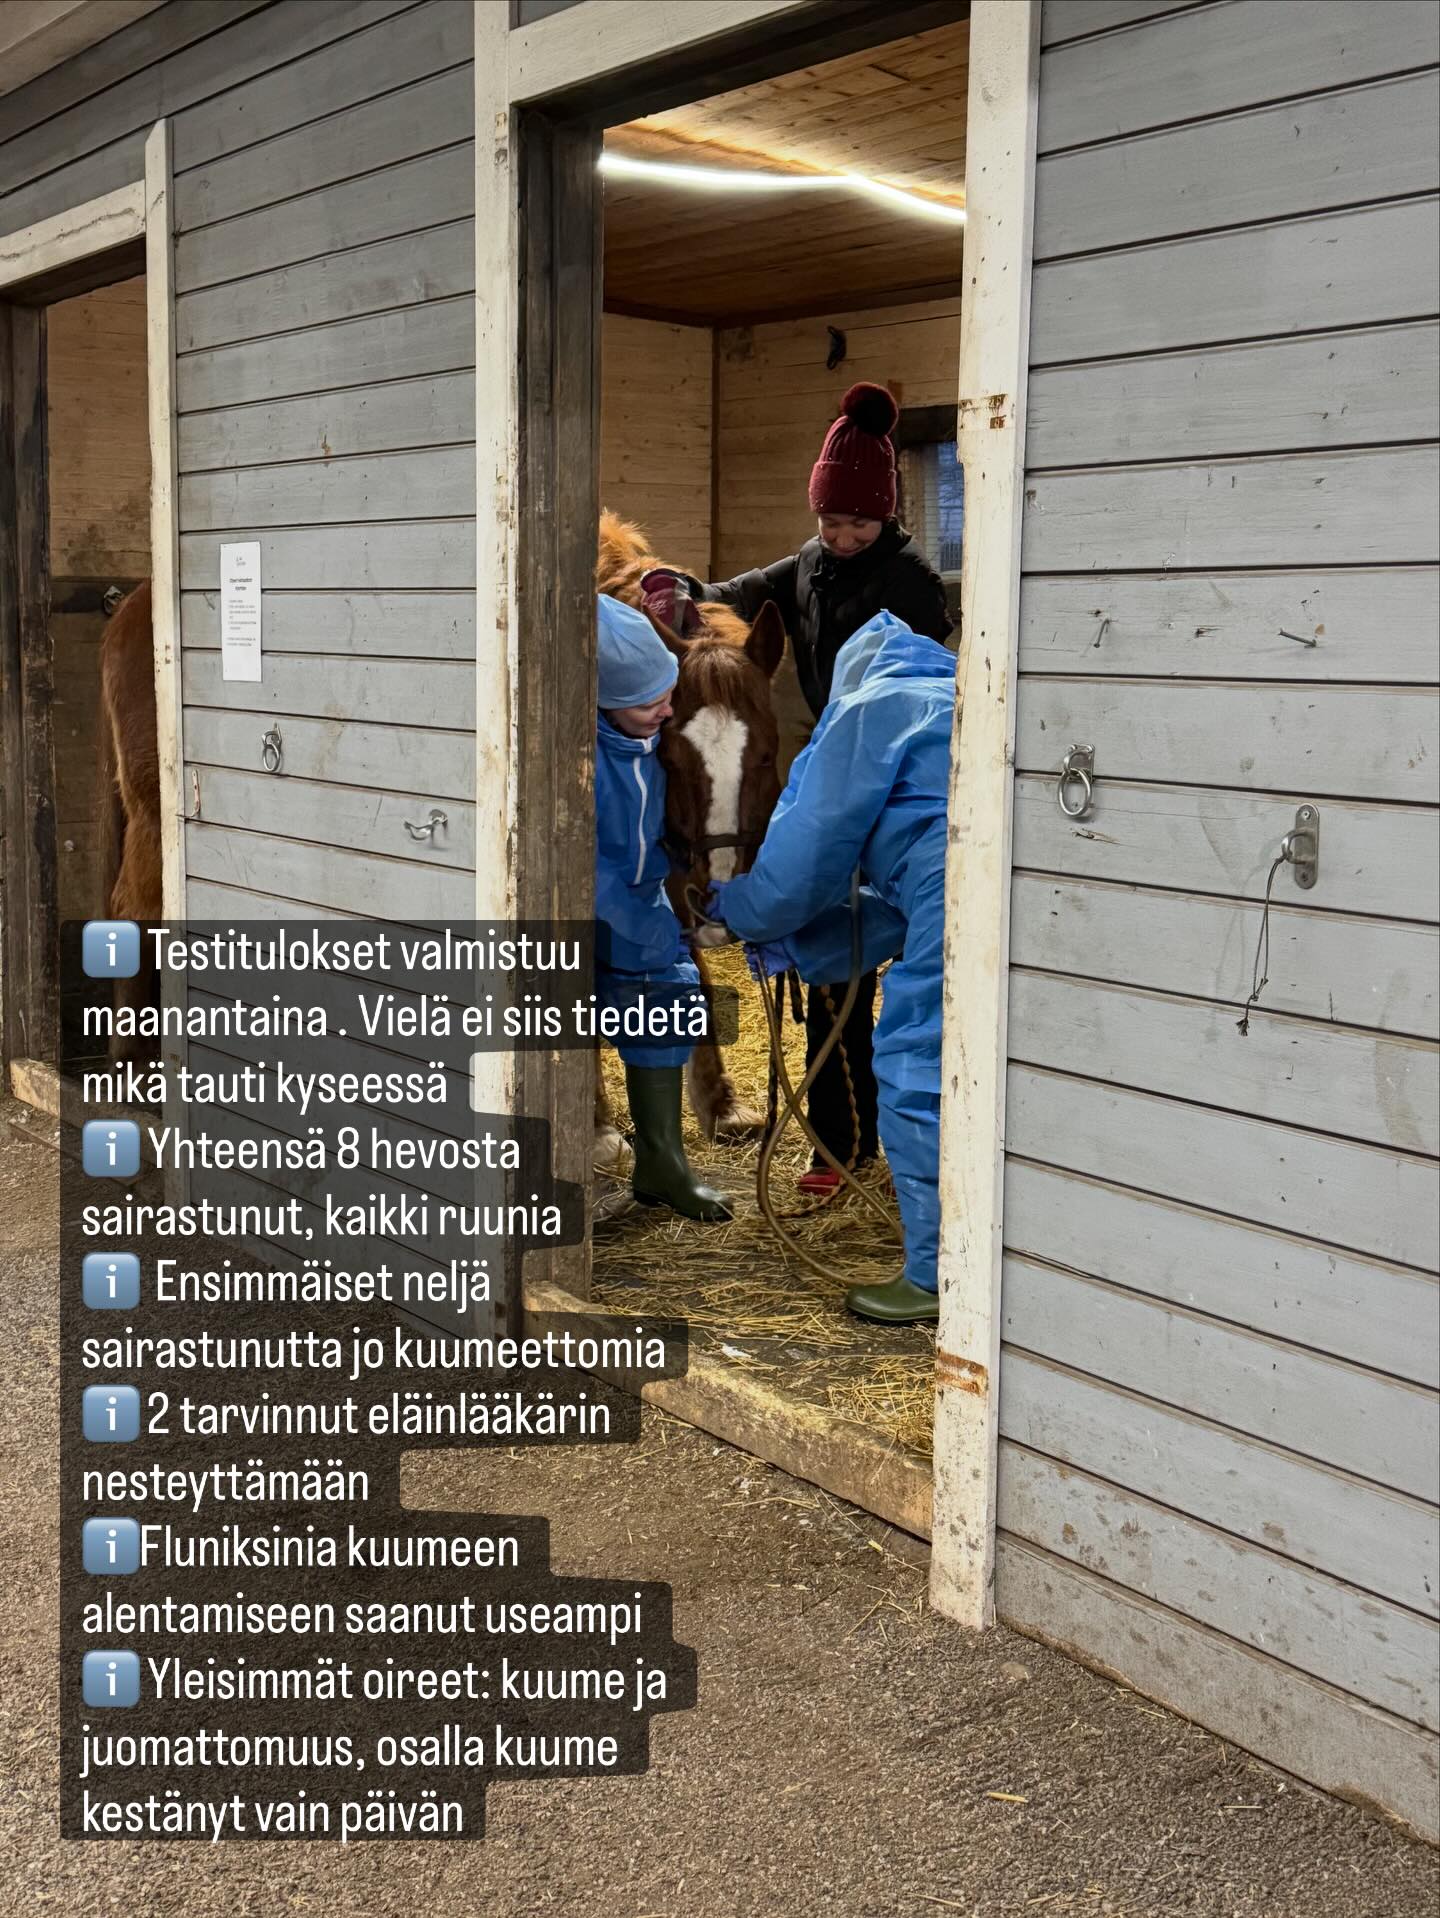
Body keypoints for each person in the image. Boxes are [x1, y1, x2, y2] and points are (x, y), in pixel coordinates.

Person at [641, 382, 951, 1197]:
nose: (842, 537)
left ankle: (882, 1144)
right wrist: (677, 590)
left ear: (886, 518)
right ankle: (836, 1147)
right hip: (828, 756)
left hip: (891, 766)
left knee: (871, 971)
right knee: (829, 968)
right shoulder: (810, 563)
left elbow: (915, 678)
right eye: (830, 520)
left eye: (859, 523)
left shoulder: (911, 580)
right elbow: (739, 594)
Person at [704, 610, 954, 1323]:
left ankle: (938, 1276)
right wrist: (799, 948)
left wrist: (739, 910)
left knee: (914, 1066)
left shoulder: (870, 709)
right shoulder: (960, 693)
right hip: (976, 884)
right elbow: (901, 894)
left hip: (949, 881)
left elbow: (803, 860)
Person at [594, 594, 732, 1222]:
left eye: (666, 693)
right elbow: (580, 866)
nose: (667, 709)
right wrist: (643, 918)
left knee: (670, 1001)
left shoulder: (646, 743)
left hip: (641, 904)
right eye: (649, 699)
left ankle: (660, 1161)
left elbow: (659, 834)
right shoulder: (582, 763)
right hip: (593, 915)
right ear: (602, 699)